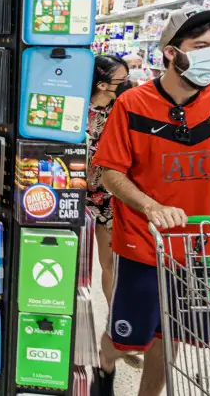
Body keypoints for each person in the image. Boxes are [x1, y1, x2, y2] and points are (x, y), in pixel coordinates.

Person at [90, 6, 210, 396]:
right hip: (143, 243)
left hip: (194, 247)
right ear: (170, 53)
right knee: (127, 335)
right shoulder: (132, 104)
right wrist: (151, 206)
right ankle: (105, 368)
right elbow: (111, 173)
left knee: (172, 337)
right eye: (201, 46)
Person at [87, 55, 130, 307]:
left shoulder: (124, 110)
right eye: (122, 80)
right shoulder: (74, 108)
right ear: (102, 84)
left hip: (111, 196)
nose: (128, 84)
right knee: (71, 260)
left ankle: (117, 322)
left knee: (112, 262)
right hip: (75, 193)